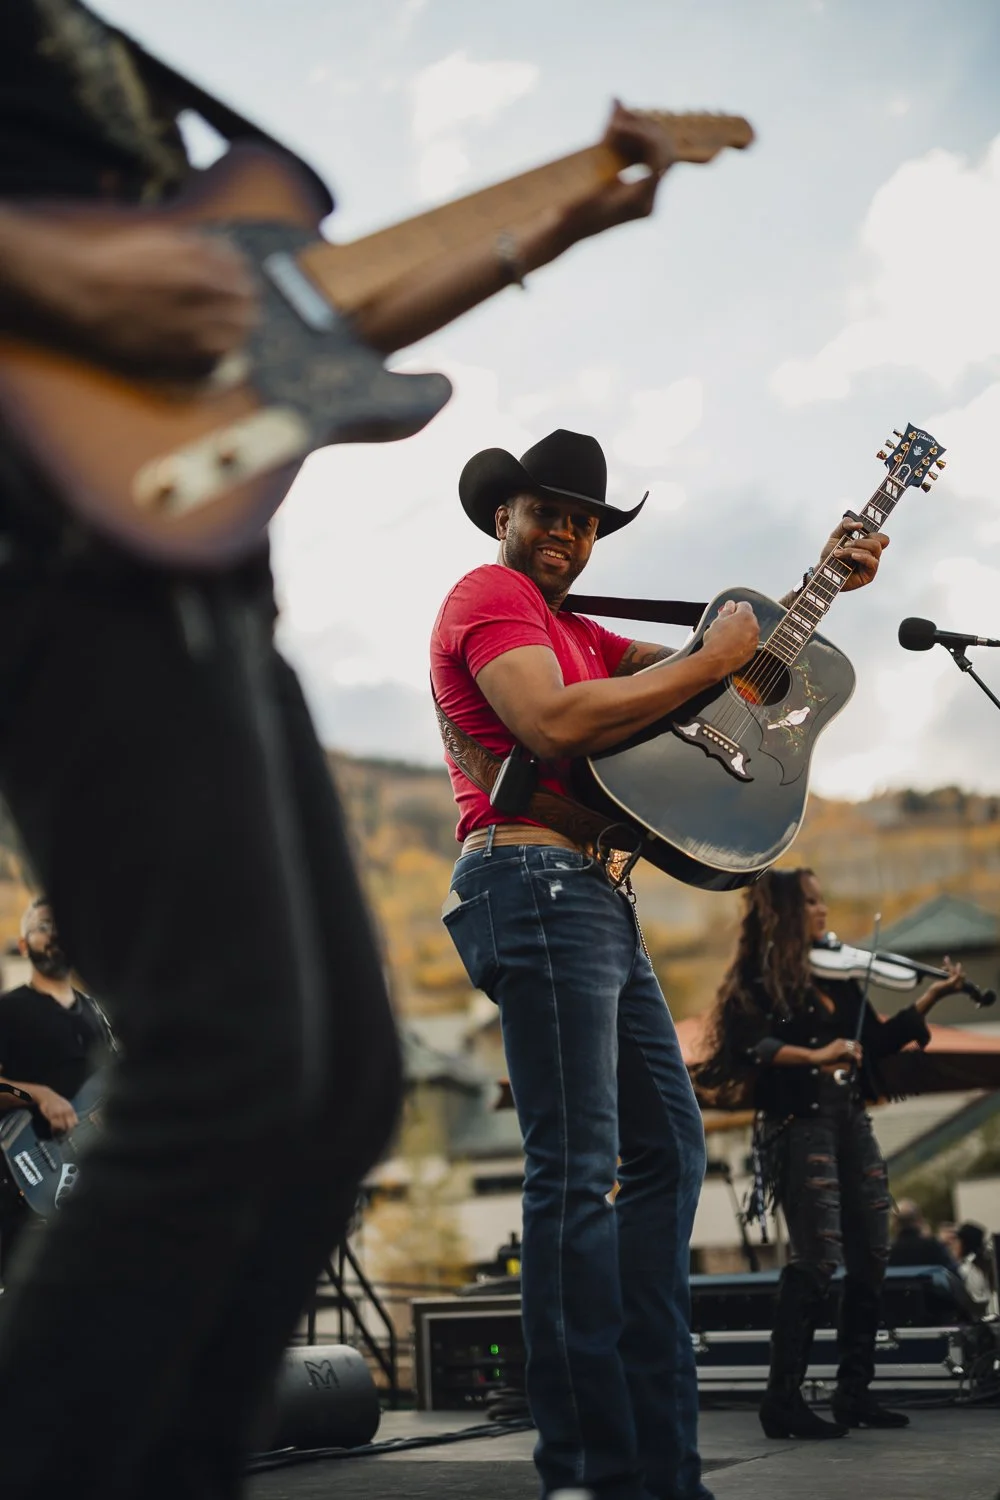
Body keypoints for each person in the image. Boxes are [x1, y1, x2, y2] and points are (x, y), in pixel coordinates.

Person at [0, 8, 690, 1497]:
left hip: (200, 573)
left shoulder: (103, 71)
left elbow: (284, 325)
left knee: (336, 1085)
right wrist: (64, 273)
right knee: (230, 1064)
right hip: (43, 534)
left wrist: (567, 212)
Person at [430, 427, 888, 1500]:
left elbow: (730, 693)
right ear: (505, 517)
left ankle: (657, 1468)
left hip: (596, 897)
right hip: (531, 883)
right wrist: (715, 657)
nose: (568, 533)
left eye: (585, 520)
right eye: (549, 512)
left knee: (671, 1159)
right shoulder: (490, 600)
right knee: (576, 1174)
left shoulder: (587, 632)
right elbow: (547, 723)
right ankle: (587, 1470)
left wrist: (823, 582)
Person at [696, 868, 966, 1441]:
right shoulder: (760, 979)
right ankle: (782, 1401)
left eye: (822, 901)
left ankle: (854, 1393)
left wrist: (930, 1000)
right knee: (817, 1257)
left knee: (871, 1252)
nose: (824, 911)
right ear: (784, 912)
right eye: (812, 903)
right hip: (798, 1123)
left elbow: (876, 1040)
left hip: (850, 1119)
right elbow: (752, 1046)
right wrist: (816, 1054)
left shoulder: (838, 976)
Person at [0, 896, 115, 1281]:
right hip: (22, 1185)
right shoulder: (10, 1011)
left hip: (84, 1193)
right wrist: (39, 1096)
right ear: (23, 944)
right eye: (43, 926)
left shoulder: (95, 1012)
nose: (54, 936)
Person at [888, 1199, 957, 1270]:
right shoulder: (934, 1247)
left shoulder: (886, 1252)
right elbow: (953, 1274)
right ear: (919, 1220)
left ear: (894, 1223)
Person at [954, 1222, 995, 1315]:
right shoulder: (986, 1262)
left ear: (964, 1243)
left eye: (957, 1241)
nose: (954, 1246)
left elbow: (978, 1300)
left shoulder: (968, 1268)